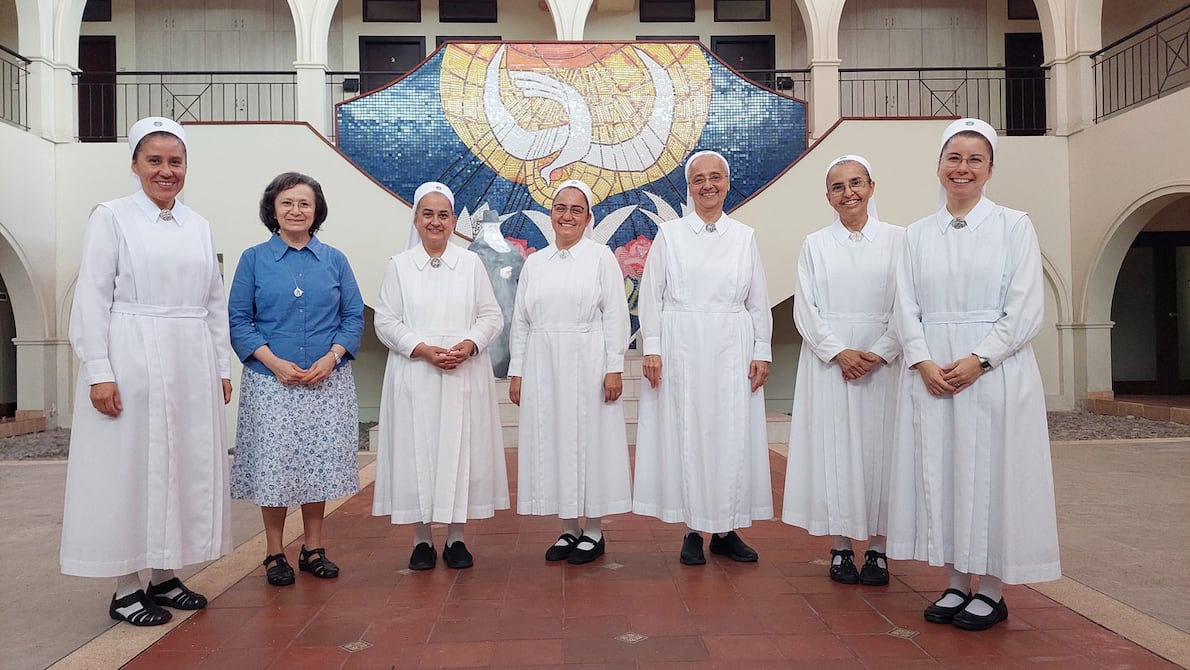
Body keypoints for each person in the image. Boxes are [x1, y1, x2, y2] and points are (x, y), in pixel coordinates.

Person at [887, 118, 1061, 631]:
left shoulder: (1013, 225)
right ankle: (956, 579)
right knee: (944, 473)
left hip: (994, 372)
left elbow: (1025, 307)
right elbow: (904, 307)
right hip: (933, 372)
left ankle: (992, 589)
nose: (962, 168)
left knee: (993, 474)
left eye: (974, 160)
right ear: (939, 166)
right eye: (954, 158)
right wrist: (921, 360)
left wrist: (980, 359)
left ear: (990, 169)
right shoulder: (916, 234)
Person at [60, 117, 233, 626]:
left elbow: (212, 302)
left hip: (190, 359)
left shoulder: (197, 225)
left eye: (175, 162)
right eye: (154, 160)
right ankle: (125, 587)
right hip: (129, 354)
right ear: (134, 164)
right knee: (129, 467)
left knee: (180, 465)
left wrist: (220, 365)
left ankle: (164, 574)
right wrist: (98, 370)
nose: (165, 171)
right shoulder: (111, 217)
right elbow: (92, 297)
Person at [633, 150, 774, 565]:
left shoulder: (744, 236)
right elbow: (651, 295)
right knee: (688, 432)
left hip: (732, 344)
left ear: (727, 184)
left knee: (730, 434)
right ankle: (692, 530)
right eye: (699, 179)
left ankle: (726, 529)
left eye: (716, 177)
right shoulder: (670, 234)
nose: (708, 185)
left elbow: (758, 299)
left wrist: (762, 349)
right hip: (682, 344)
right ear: (689, 188)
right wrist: (653, 347)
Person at [228, 172, 364, 587]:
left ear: (316, 210)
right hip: (271, 381)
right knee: (276, 466)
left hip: (326, 381)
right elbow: (239, 319)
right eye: (287, 203)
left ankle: (313, 548)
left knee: (315, 464)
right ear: (273, 209)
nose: (296, 210)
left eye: (304, 203)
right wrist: (274, 363)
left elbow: (353, 317)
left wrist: (332, 357)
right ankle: (274, 552)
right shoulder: (254, 259)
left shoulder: (335, 260)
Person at [372, 181, 509, 570]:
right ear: (416, 220)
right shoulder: (399, 266)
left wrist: (469, 344)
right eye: (428, 214)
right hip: (415, 371)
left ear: (453, 221)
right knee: (417, 452)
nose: (435, 222)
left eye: (443, 215)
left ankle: (456, 538)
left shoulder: (471, 263)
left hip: (462, 371)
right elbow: (385, 320)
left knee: (459, 452)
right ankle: (421, 540)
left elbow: (491, 316)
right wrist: (420, 348)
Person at [783, 155, 903, 586]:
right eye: (838, 186)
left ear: (872, 187)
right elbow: (806, 308)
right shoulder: (815, 244)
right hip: (831, 363)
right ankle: (841, 545)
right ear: (828, 196)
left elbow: (909, 303)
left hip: (884, 363)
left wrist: (882, 351)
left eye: (856, 183)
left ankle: (879, 549)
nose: (848, 192)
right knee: (835, 452)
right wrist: (838, 352)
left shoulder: (900, 240)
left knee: (882, 452)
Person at [507, 180, 632, 564]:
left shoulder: (600, 257)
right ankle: (567, 527)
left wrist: (614, 367)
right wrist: (517, 370)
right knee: (553, 440)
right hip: (543, 363)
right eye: (560, 208)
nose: (567, 216)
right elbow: (521, 321)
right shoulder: (536, 262)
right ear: (551, 214)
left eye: (576, 209)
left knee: (589, 442)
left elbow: (616, 315)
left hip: (588, 360)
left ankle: (593, 530)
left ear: (588, 217)